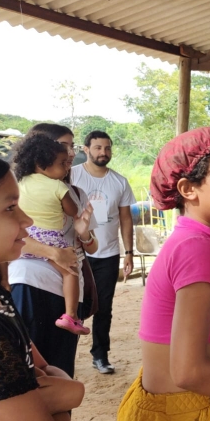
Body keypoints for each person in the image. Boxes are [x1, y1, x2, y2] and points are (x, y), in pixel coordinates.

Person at [115, 128, 210, 421]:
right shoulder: (198, 248)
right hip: (182, 415)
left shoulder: (194, 241)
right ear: (188, 189)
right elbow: (189, 372)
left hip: (190, 408)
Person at [0, 157, 85, 421]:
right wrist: (65, 399)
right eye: (10, 208)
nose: (27, 220)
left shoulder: (1, 298)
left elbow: (42, 366)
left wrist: (65, 393)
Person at [9, 123, 98, 379]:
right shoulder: (14, 188)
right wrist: (53, 252)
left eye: (71, 146)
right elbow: (6, 236)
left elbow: (92, 247)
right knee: (29, 372)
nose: (70, 153)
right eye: (62, 146)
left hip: (68, 293)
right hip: (28, 284)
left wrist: (84, 233)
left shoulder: (76, 193)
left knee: (61, 370)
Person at [70, 130, 136, 374]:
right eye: (98, 147)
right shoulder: (71, 176)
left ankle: (100, 356)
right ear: (86, 149)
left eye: (107, 148)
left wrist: (128, 251)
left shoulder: (119, 182)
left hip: (108, 253)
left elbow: (126, 219)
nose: (103, 152)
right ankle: (66, 356)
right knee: (73, 306)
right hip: (77, 253)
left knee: (104, 308)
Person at [12, 134, 87, 335]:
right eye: (62, 163)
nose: (66, 168)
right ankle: (71, 315)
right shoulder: (58, 186)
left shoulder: (20, 182)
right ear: (41, 163)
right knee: (70, 271)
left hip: (27, 238)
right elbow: (72, 211)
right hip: (50, 238)